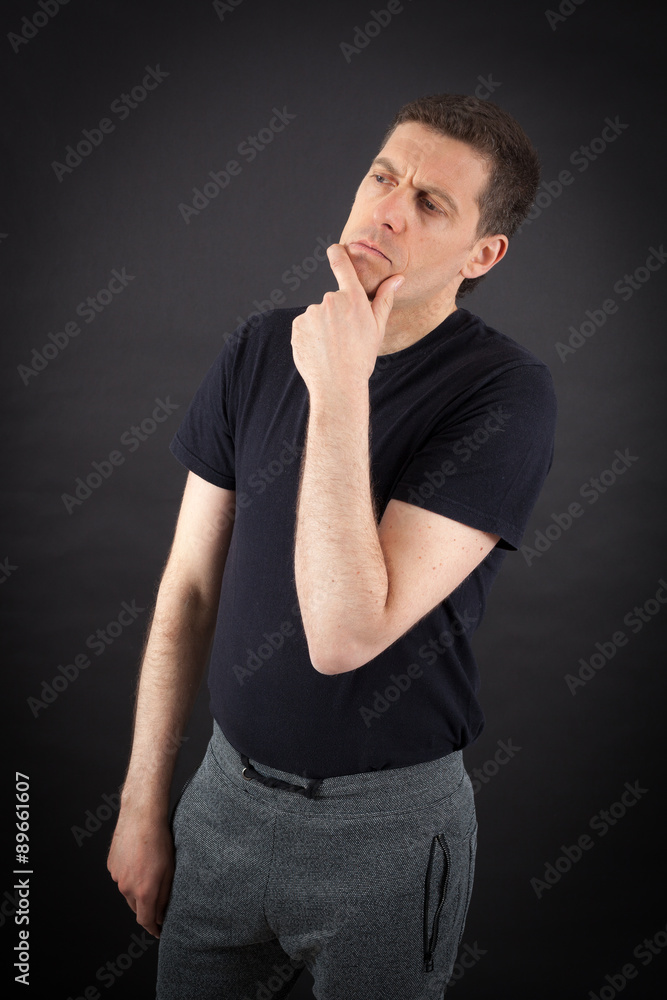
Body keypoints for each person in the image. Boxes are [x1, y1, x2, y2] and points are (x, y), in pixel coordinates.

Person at [107, 93, 557, 999]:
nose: (387, 209)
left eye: (429, 203)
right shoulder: (259, 348)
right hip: (223, 798)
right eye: (382, 177)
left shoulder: (504, 394)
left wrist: (343, 384)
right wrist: (140, 806)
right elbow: (189, 589)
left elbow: (344, 635)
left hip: (385, 830)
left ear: (482, 254)